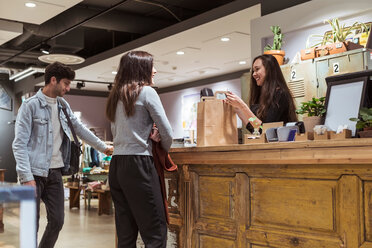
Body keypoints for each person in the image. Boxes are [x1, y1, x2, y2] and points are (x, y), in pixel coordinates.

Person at [12, 62, 113, 248]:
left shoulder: (63, 105)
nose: (68, 88)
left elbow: (79, 129)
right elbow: (19, 144)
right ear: (53, 80)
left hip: (55, 173)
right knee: (30, 225)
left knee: (57, 221)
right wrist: (26, 177)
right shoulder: (30, 107)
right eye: (66, 83)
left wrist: (102, 147)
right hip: (33, 173)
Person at [106, 51, 173, 248]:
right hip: (139, 165)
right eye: (151, 66)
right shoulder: (147, 92)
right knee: (155, 234)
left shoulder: (115, 96)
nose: (155, 70)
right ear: (141, 69)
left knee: (125, 235)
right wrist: (162, 147)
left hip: (117, 165)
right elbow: (167, 132)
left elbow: (117, 130)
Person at [225, 54, 298, 132]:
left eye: (257, 69)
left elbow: (265, 129)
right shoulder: (260, 96)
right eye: (253, 71)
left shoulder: (280, 94)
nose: (253, 74)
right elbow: (256, 129)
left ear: (269, 70)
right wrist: (237, 109)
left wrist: (243, 106)